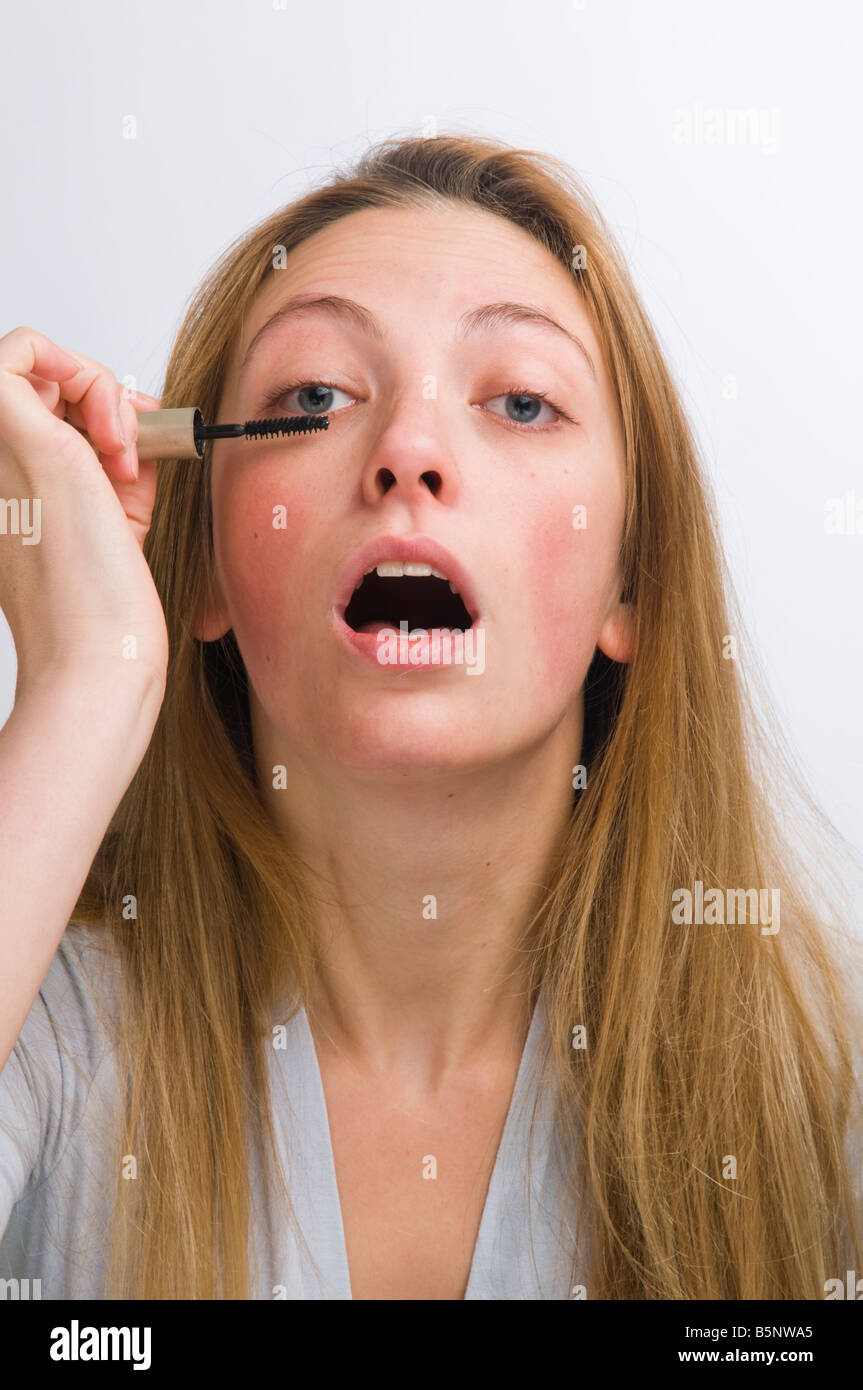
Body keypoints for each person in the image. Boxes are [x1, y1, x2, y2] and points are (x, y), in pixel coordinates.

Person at [0, 132, 860, 1301]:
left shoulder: (822, 1083)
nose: (407, 450)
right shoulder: (45, 1029)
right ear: (200, 566)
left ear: (630, 579)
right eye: (314, 395)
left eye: (518, 399)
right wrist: (82, 683)